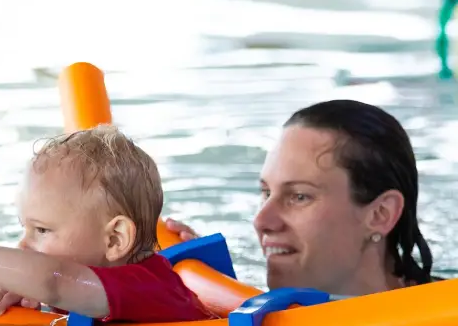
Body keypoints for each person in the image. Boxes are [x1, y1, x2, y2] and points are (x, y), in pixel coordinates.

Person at [0, 124, 213, 322]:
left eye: (42, 230)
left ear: (115, 239)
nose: (22, 247)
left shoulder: (145, 286)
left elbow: (52, 280)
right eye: (24, 228)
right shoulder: (93, 277)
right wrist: (22, 286)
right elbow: (50, 284)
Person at [164, 99, 437, 298]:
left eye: (299, 196)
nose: (261, 221)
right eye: (266, 193)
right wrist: (211, 290)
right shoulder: (249, 308)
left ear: (380, 214)